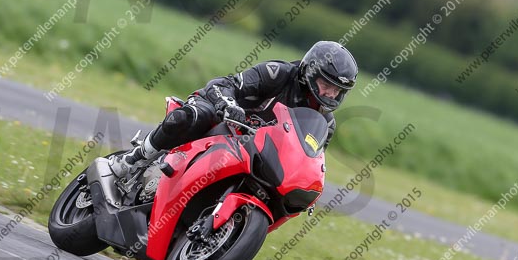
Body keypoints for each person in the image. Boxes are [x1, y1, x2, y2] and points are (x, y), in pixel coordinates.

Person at [109, 40, 358, 179]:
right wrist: (229, 105)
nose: (329, 94)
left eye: (336, 90)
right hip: (224, 120)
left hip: (256, 153)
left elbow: (309, 158)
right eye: (326, 84)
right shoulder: (278, 73)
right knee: (192, 116)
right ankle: (135, 159)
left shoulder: (326, 123)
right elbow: (226, 84)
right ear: (310, 72)